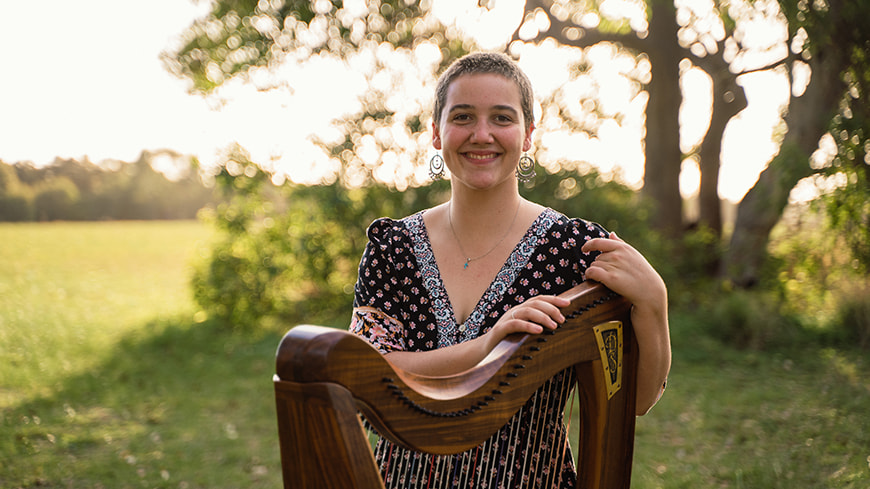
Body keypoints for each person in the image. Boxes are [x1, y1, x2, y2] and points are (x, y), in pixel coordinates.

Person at [350, 52, 670, 489]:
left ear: (528, 135)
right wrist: (490, 346)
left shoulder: (575, 252)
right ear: (435, 134)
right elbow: (363, 377)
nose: (482, 135)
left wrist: (654, 303)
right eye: (462, 116)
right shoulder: (393, 248)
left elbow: (633, 400)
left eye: (502, 118)